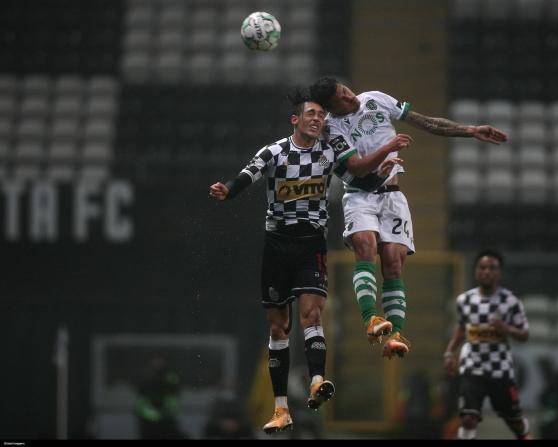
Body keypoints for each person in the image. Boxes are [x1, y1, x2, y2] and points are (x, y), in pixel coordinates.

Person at [208, 88, 402, 434]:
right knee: (278, 326)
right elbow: (247, 176)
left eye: (321, 115)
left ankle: (316, 381)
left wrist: (381, 171)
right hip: (277, 244)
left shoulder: (330, 152)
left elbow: (359, 180)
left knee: (313, 313)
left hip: (311, 244)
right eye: (311, 114)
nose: (318, 119)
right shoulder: (275, 152)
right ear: (295, 120)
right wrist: (227, 190)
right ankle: (281, 408)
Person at [310, 77, 508, 359]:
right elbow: (357, 167)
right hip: (359, 196)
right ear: (331, 107)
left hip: (393, 196)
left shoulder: (375, 99)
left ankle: (396, 335)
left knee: (393, 262)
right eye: (341, 99)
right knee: (366, 247)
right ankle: (371, 319)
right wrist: (387, 149)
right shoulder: (332, 127)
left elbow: (425, 121)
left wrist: (470, 130)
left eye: (347, 90)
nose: (350, 97)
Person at [442, 249, 531, 440]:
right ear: (476, 271)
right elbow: (461, 328)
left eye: (492, 268)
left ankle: (524, 435)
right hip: (472, 369)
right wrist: (449, 352)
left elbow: (524, 334)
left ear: (499, 273)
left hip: (500, 370)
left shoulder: (510, 301)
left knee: (514, 421)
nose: (487, 272)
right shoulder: (465, 300)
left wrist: (505, 328)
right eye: (482, 267)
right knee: (468, 418)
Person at [135, 354, 186, 439]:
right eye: (156, 361)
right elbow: (140, 392)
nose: (158, 363)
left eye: (160, 361)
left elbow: (175, 390)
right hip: (148, 417)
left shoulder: (170, 377)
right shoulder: (146, 376)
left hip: (166, 416)